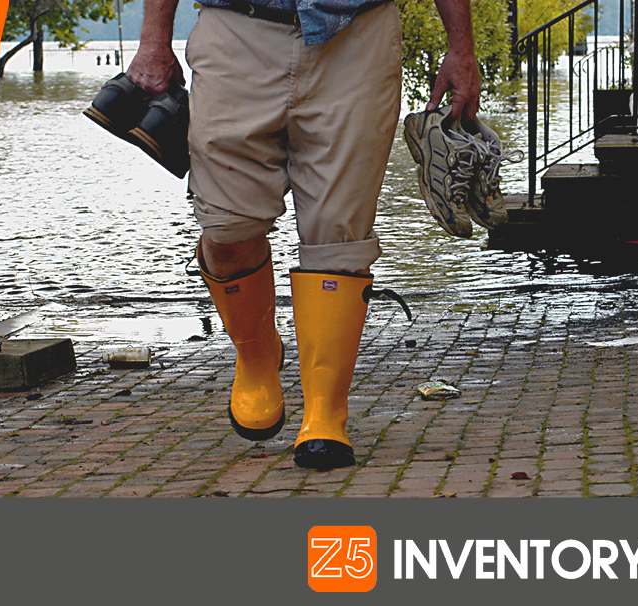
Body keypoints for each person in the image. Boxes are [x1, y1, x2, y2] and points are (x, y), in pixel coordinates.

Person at [125, 0, 481, 469]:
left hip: (359, 34)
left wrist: (461, 49)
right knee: (226, 227)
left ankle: (325, 412)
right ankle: (256, 353)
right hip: (236, 30)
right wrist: (153, 40)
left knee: (339, 234)